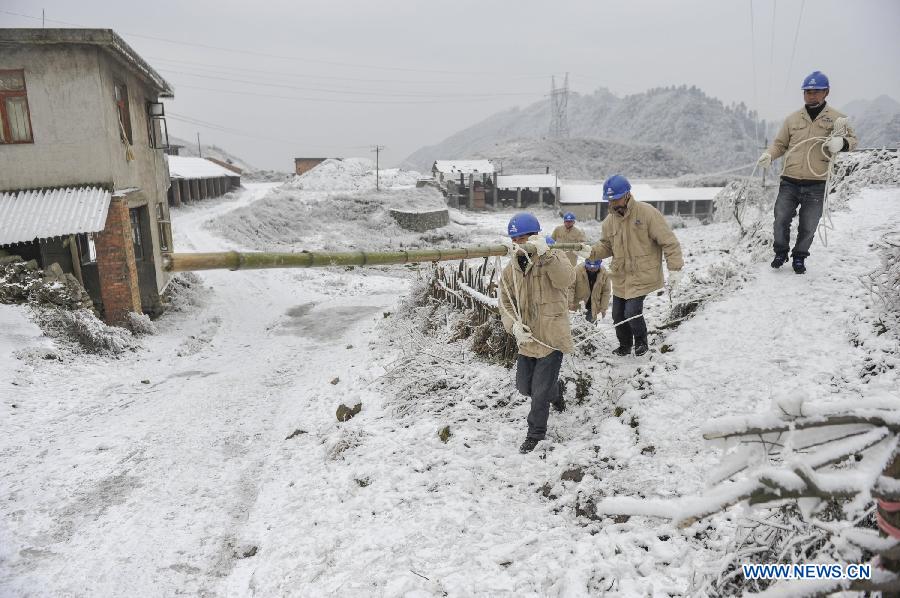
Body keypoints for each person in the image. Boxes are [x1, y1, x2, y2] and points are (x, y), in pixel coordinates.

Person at [757, 70, 857, 274]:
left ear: (826, 92)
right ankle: (780, 252)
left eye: (816, 91)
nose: (811, 95)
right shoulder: (792, 119)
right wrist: (769, 155)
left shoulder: (837, 119)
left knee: (809, 225)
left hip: (817, 181)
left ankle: (800, 257)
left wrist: (842, 143)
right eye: (807, 91)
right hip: (789, 180)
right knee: (781, 219)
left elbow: (854, 141)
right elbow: (780, 144)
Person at [581, 175, 683, 357]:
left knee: (632, 311)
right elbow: (606, 246)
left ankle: (641, 343)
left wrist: (674, 269)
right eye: (610, 199)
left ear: (627, 194)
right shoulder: (609, 222)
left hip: (643, 274)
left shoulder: (647, 213)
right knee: (618, 315)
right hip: (621, 276)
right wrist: (590, 252)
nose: (613, 203)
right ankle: (625, 345)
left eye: (617, 198)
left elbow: (669, 242)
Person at [499, 212, 575, 454]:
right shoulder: (511, 268)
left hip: (552, 337)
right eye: (515, 240)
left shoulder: (553, 256)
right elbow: (505, 302)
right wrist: (513, 326)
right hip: (527, 339)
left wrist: (548, 255)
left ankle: (535, 435)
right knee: (525, 387)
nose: (519, 245)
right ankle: (557, 390)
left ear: (534, 236)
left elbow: (566, 279)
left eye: (523, 239)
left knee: (539, 394)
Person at [572, 258, 611, 323]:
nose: (592, 269)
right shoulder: (577, 270)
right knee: (577, 328)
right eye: (589, 267)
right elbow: (570, 288)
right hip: (578, 306)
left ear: (599, 265)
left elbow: (606, 292)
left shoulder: (604, 273)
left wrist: (603, 308)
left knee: (591, 328)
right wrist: (569, 302)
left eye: (594, 268)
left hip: (593, 306)